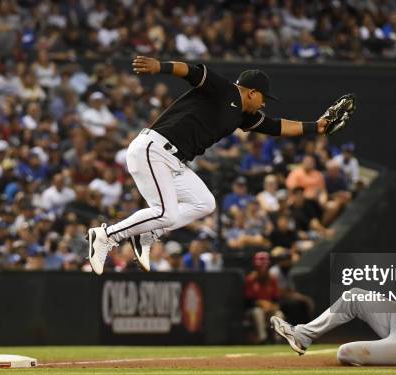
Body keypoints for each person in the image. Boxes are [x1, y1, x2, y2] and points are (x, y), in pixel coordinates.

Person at [88, 56, 331, 275]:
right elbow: (192, 72)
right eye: (263, 98)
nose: (264, 104)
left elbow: (277, 127)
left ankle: (148, 234)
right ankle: (106, 235)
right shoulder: (225, 90)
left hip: (172, 159)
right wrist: (160, 67)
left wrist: (315, 126)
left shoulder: (243, 115)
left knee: (204, 203)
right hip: (153, 149)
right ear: (251, 93)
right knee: (166, 212)